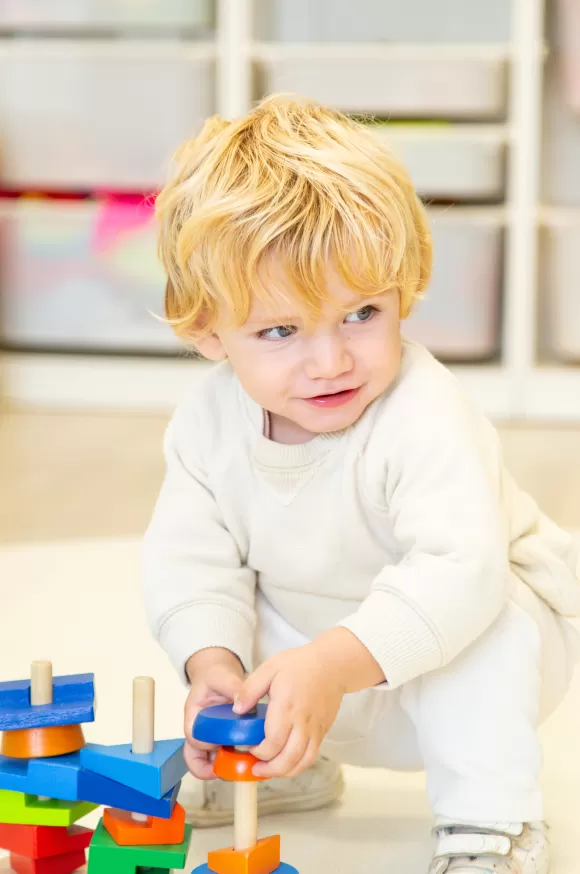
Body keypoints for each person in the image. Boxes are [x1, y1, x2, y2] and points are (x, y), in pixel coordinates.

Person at [142, 94, 580, 874]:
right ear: (208, 332)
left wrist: (330, 666)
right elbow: (188, 560)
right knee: (231, 617)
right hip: (334, 665)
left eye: (361, 313)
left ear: (404, 290)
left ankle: (494, 820)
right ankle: (283, 762)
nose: (331, 361)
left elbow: (460, 575)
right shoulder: (207, 424)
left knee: (492, 627)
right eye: (281, 331)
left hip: (474, 646)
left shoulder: (424, 413)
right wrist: (213, 670)